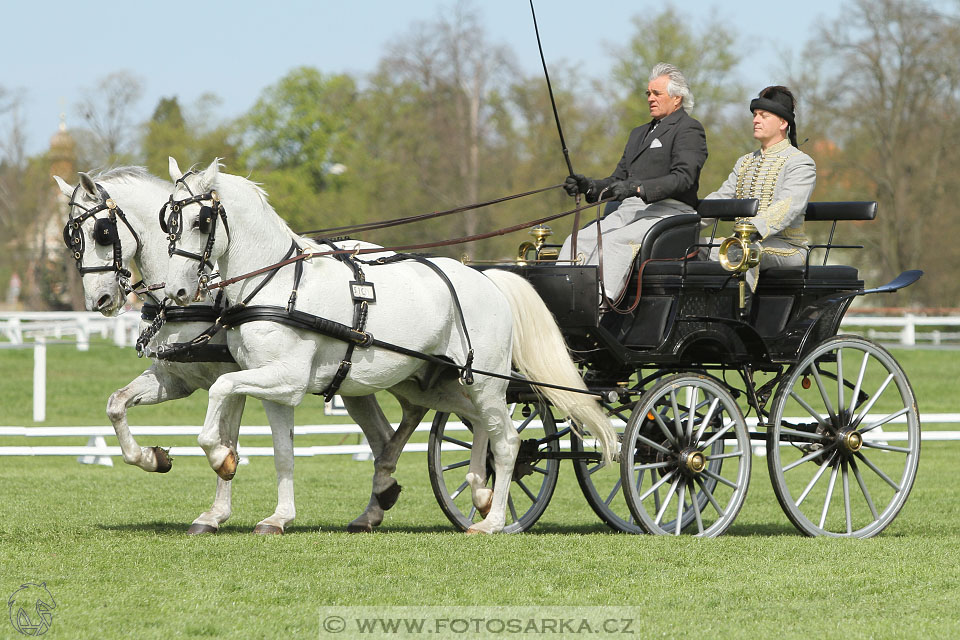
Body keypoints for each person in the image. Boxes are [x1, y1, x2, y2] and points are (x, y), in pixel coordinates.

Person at [559, 62, 708, 300]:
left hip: (669, 211)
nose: (650, 98)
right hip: (630, 211)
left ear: (677, 98)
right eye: (648, 93)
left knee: (614, 241)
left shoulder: (688, 129)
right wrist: (588, 186)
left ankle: (599, 302)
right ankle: (564, 296)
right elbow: (618, 179)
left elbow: (684, 178)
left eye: (656, 93)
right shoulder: (638, 134)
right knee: (580, 239)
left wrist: (639, 188)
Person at [701, 85, 816, 290]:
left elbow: (788, 206)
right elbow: (721, 198)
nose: (755, 120)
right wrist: (684, 221)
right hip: (740, 242)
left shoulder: (800, 163)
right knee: (694, 248)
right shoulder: (745, 162)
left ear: (783, 122)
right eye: (755, 115)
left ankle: (738, 316)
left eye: (763, 115)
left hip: (788, 247)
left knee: (746, 250)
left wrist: (752, 230)